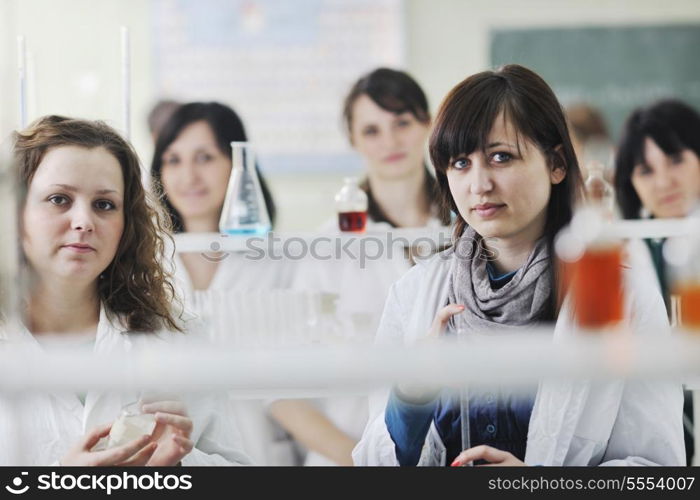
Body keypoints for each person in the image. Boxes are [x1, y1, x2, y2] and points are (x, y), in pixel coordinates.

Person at [353, 65, 685, 466]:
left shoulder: (621, 295)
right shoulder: (414, 292)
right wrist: (411, 393)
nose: (478, 185)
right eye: (460, 163)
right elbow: (374, 462)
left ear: (557, 164)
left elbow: (656, 468)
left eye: (500, 157)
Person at [0, 115, 251, 466]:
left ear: (126, 224)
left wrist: (178, 466)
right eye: (59, 199)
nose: (84, 222)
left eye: (104, 204)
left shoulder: (178, 337)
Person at [269, 68, 451, 466]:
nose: (389, 141)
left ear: (428, 123)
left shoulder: (468, 227)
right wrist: (361, 462)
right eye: (371, 130)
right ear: (353, 140)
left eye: (401, 122)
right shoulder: (328, 245)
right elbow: (280, 390)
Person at [151, 102, 295, 465]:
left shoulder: (276, 261)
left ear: (238, 166)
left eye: (205, 157)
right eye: (173, 160)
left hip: (261, 447)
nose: (188, 177)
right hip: (167, 454)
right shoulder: (145, 262)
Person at [614, 98, 700, 465]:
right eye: (646, 170)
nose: (665, 181)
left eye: (676, 160)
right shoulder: (623, 252)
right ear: (630, 183)